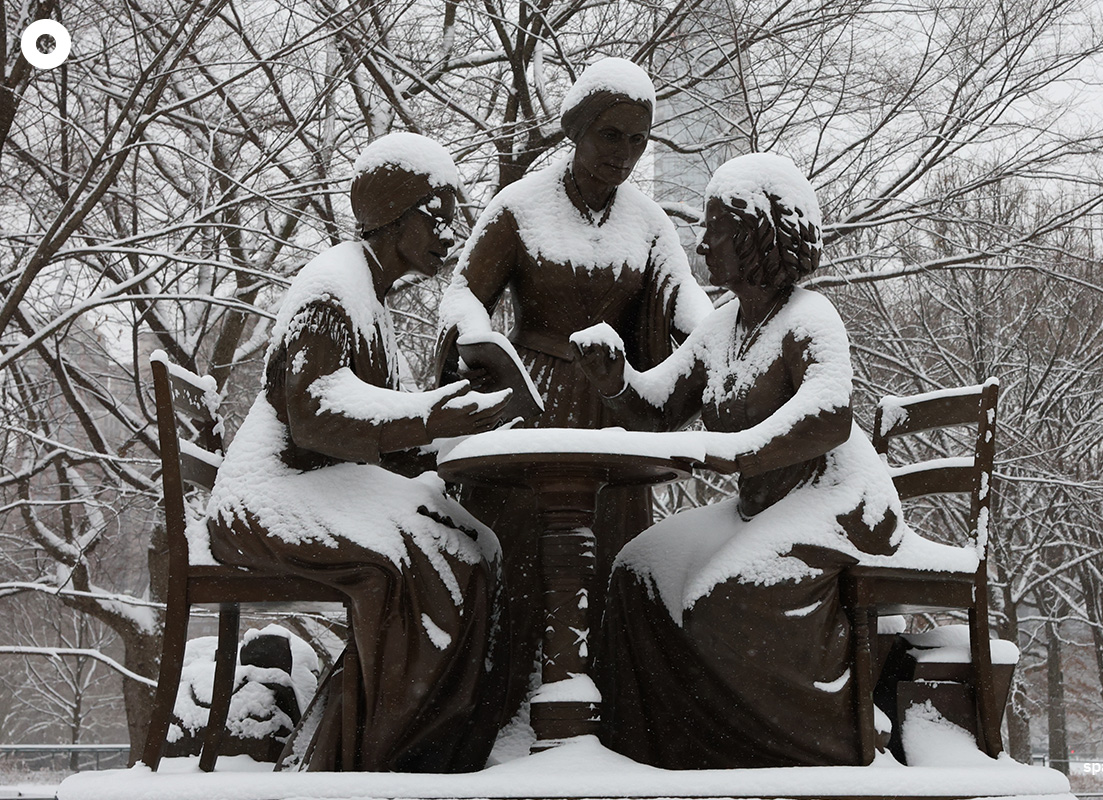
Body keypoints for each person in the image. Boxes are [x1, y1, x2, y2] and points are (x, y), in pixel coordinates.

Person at [571, 153, 905, 768]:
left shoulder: (809, 317)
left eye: (715, 227)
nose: (702, 242)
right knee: (633, 574)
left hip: (835, 500)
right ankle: (660, 747)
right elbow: (660, 409)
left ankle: (810, 747)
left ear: (756, 235)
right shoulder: (722, 327)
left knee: (720, 602)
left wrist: (737, 453)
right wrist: (616, 380)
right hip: (761, 504)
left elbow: (830, 414)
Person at [205, 132, 511, 772]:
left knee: (470, 544)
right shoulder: (331, 289)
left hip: (316, 487)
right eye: (436, 218)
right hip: (267, 499)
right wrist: (429, 415)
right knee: (408, 559)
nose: (448, 236)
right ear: (393, 215)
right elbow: (315, 415)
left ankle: (404, 736)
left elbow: (373, 429)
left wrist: (450, 420)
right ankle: (383, 756)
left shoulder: (371, 299)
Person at [434, 57, 712, 737]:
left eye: (637, 140)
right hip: (530, 404)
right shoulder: (521, 206)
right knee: (518, 559)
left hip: (610, 414)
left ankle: (601, 713)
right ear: (578, 131)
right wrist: (473, 334)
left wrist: (726, 337)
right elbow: (465, 293)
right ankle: (505, 713)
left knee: (608, 555)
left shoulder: (648, 224)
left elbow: (688, 309)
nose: (624, 153)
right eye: (611, 135)